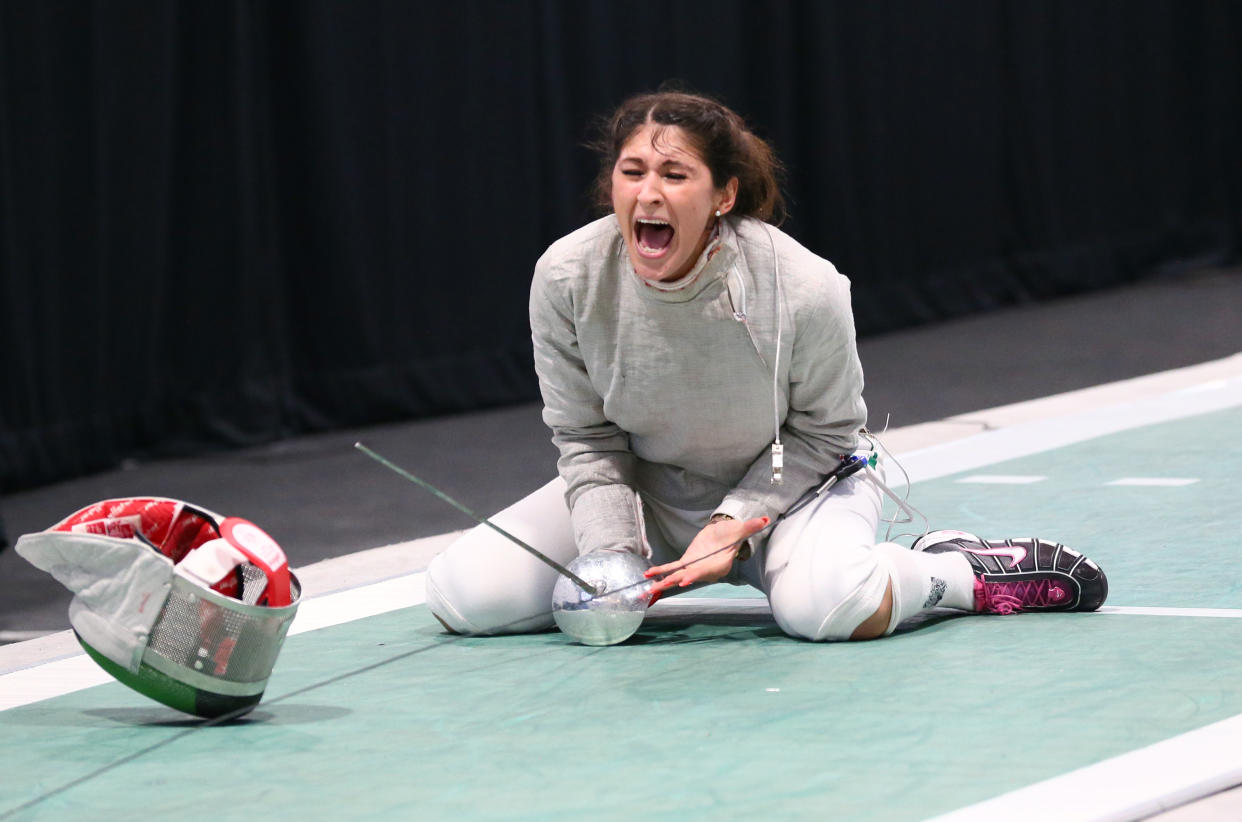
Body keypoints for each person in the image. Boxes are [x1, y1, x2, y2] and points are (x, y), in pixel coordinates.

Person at [425, 90, 1107, 640]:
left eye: (674, 174)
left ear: (722, 196)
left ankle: (957, 571)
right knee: (464, 595)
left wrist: (731, 526)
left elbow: (826, 433)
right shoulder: (567, 276)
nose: (648, 193)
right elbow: (588, 438)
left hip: (796, 488)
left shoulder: (804, 287)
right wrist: (613, 555)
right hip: (650, 491)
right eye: (632, 172)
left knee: (829, 609)